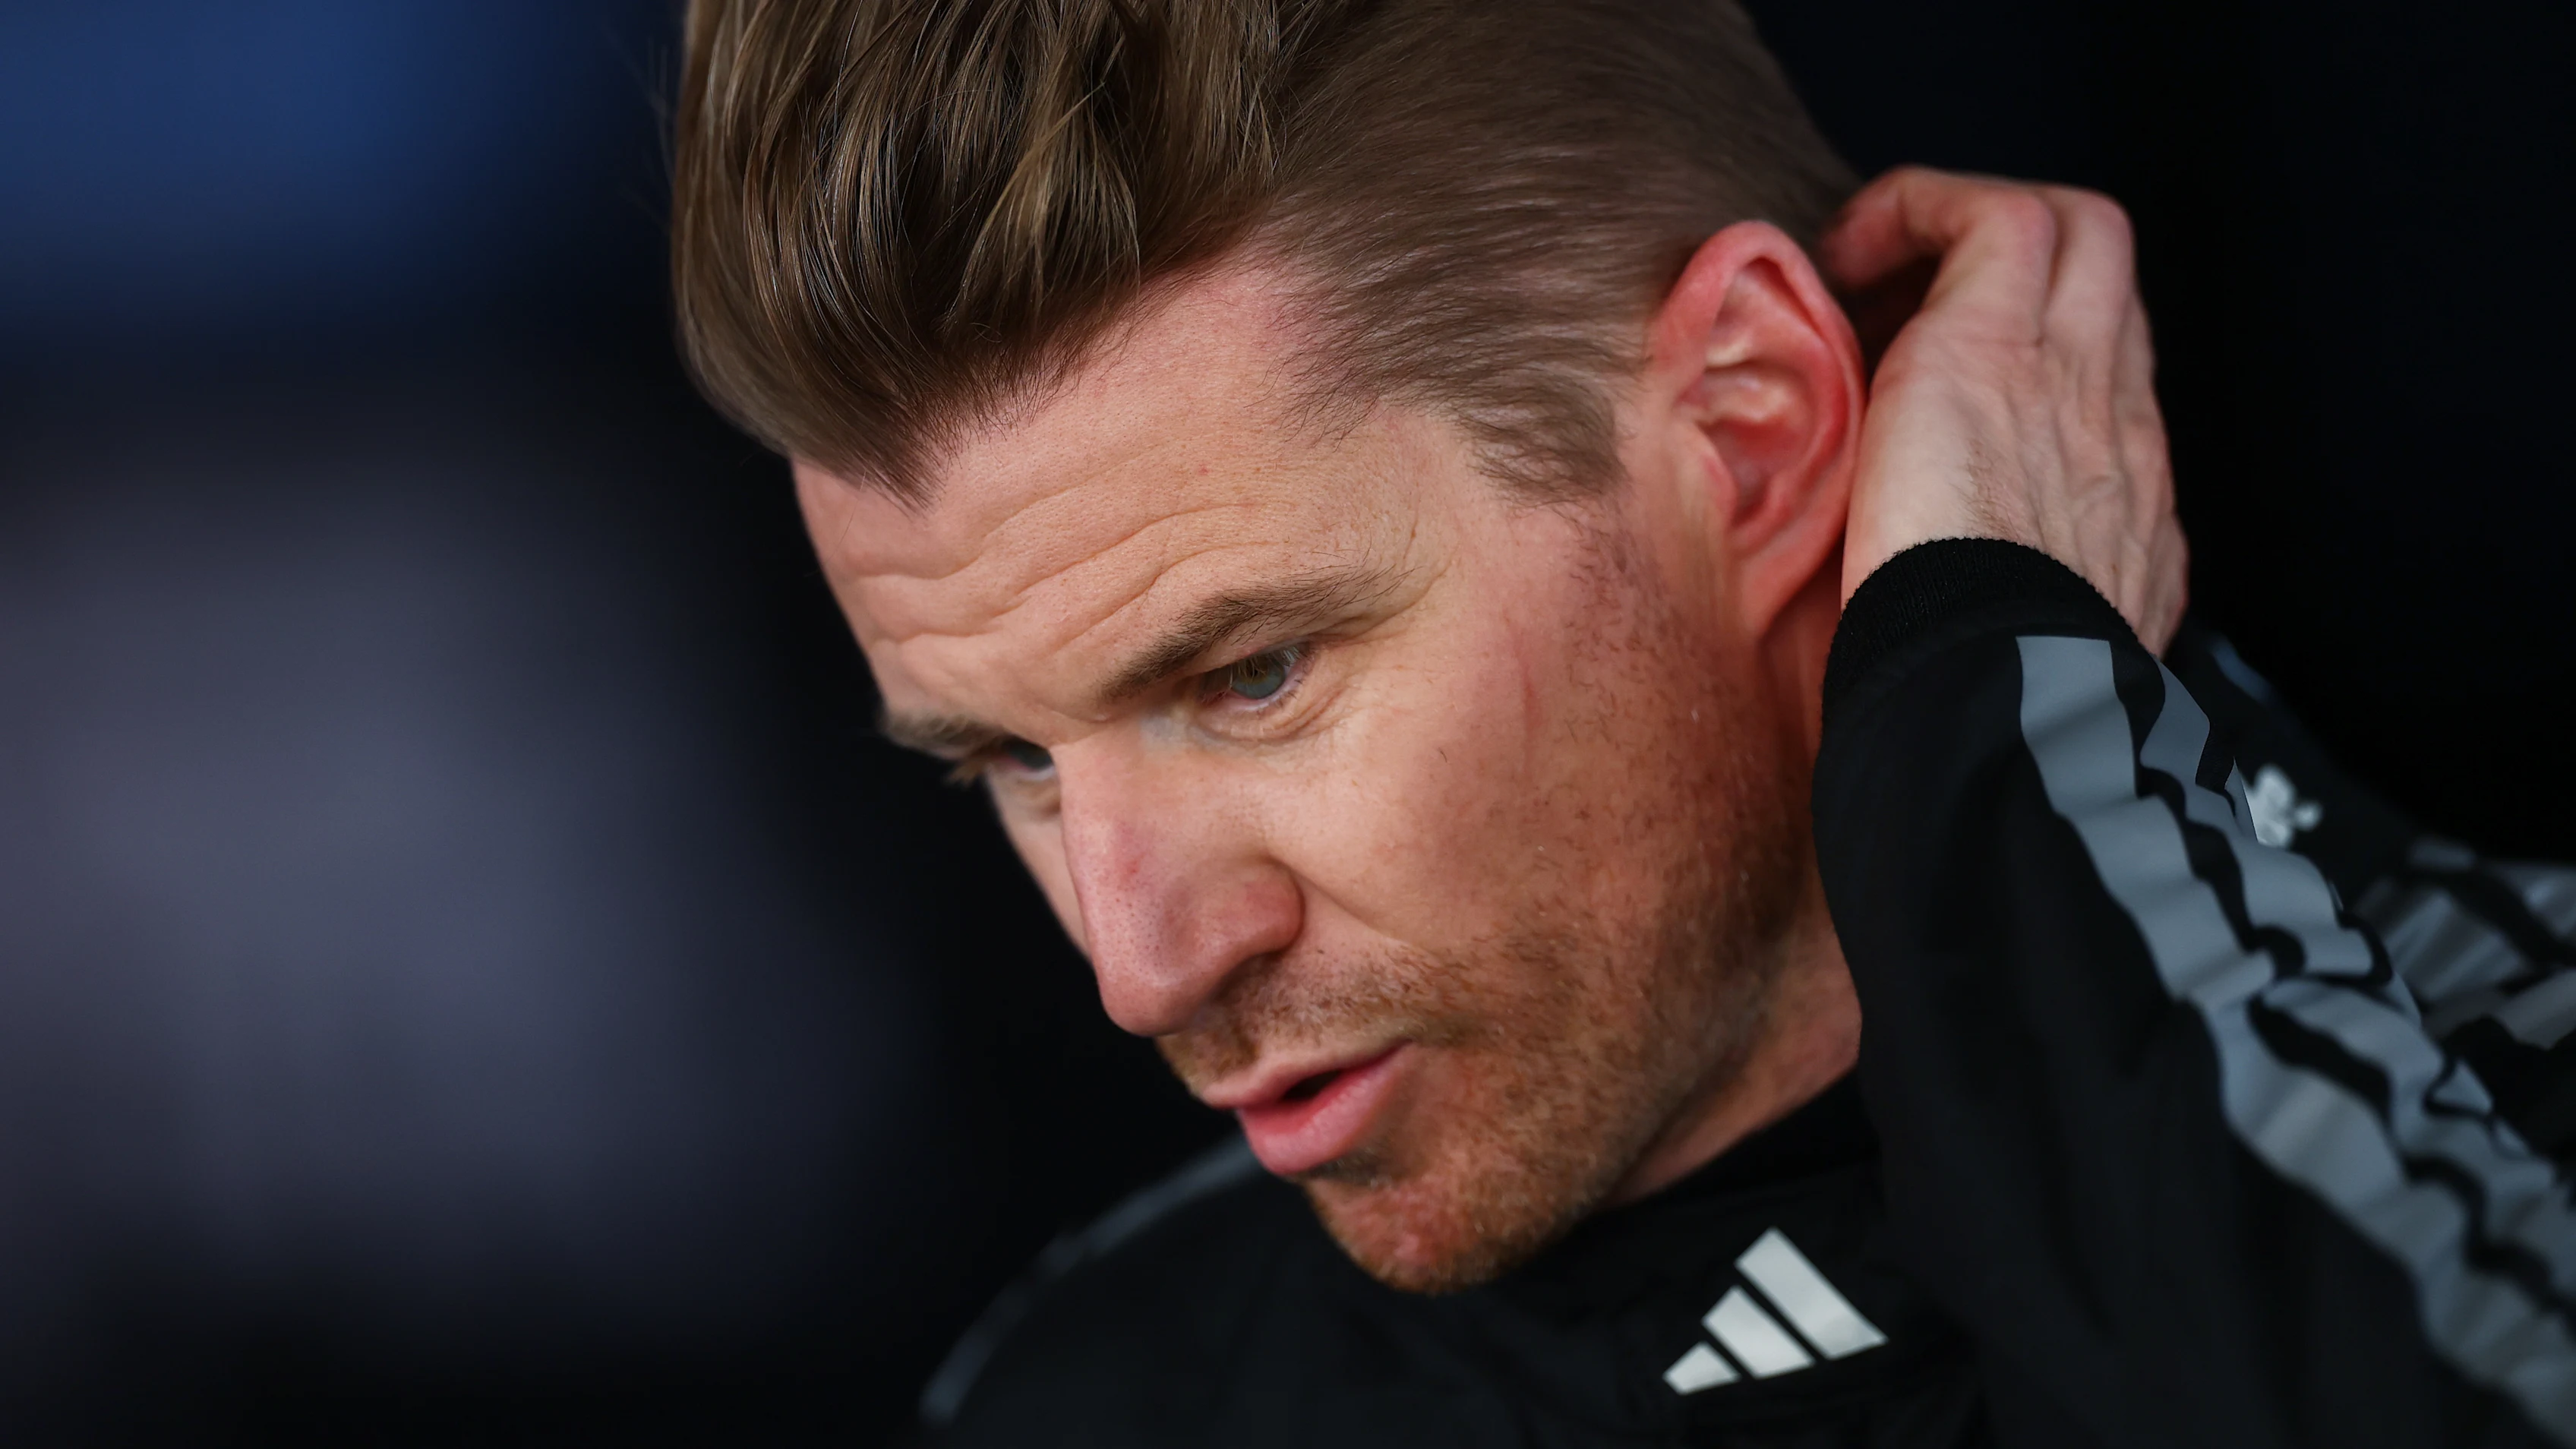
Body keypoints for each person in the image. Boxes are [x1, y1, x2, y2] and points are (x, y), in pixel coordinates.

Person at [668, 1, 2576, 1443]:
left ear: (1750, 429)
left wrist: (2008, 707)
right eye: (1011, 761)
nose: (1144, 965)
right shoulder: (1104, 1393)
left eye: (1250, 677)